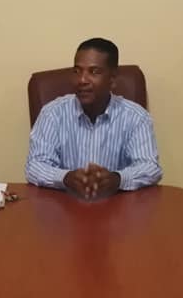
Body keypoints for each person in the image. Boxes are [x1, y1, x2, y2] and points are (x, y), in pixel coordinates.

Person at [25, 37, 162, 199]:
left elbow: (150, 167)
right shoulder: (52, 113)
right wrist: (65, 178)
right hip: (65, 206)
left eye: (94, 72)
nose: (82, 80)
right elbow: (34, 166)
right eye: (77, 71)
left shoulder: (136, 117)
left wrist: (117, 179)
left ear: (112, 79)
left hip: (117, 206)